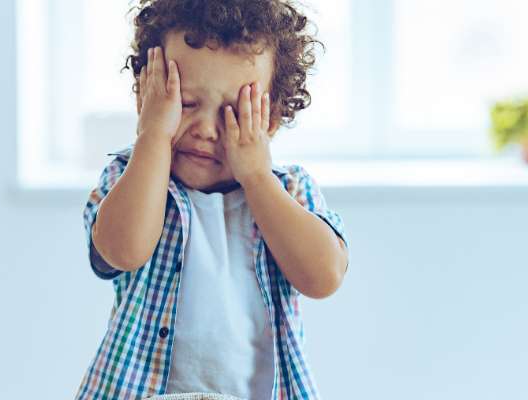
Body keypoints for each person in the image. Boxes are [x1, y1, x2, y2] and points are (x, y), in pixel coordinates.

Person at [74, 1, 349, 399]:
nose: (205, 128)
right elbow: (122, 250)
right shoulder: (131, 177)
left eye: (234, 112)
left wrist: (256, 176)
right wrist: (152, 137)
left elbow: (323, 277)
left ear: (270, 120)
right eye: (185, 103)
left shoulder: (289, 190)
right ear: (146, 97)